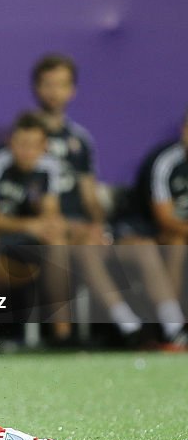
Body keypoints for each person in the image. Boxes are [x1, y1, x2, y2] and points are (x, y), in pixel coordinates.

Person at [33, 54, 185, 348]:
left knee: (142, 247)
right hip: (55, 232)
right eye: (48, 84)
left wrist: (99, 225)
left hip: (84, 230)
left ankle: (173, 327)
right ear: (37, 89)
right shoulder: (26, 137)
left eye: (61, 84)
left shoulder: (81, 140)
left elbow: (90, 194)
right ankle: (128, 327)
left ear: (72, 91)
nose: (54, 91)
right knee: (79, 248)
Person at [0, 112, 71, 342]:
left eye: (34, 145)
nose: (27, 151)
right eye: (22, 144)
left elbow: (50, 213)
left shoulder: (49, 167)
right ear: (10, 142)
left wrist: (43, 224)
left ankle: (62, 334)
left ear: (44, 146)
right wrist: (28, 225)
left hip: (27, 238)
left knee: (57, 239)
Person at [132, 108, 188, 322]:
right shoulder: (166, 162)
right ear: (184, 131)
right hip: (154, 232)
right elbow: (164, 219)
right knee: (176, 241)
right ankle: (173, 326)